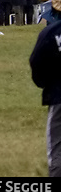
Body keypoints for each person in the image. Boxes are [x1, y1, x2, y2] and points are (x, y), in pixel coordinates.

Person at [30, 14, 61, 176]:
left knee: (57, 148)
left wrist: (45, 84)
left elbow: (37, 62)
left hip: (58, 95)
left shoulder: (51, 32)